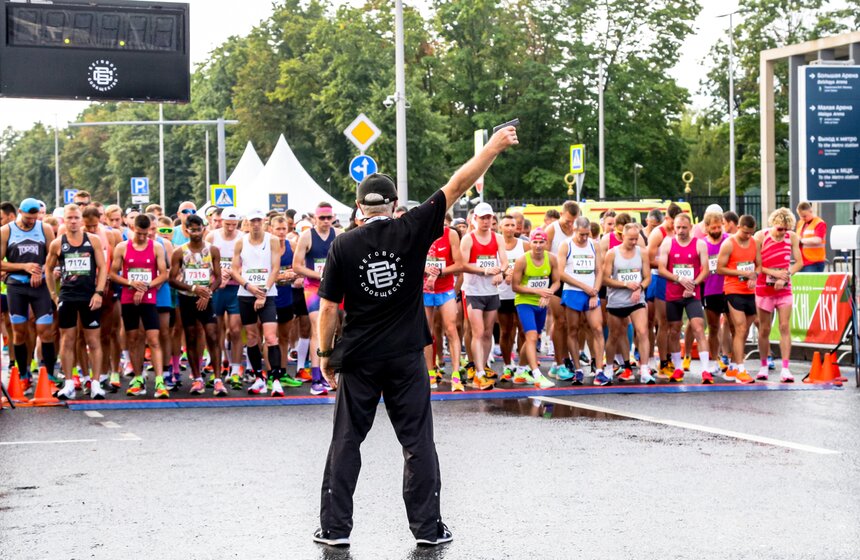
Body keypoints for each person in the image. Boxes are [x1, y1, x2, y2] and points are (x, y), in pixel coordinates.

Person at [311, 127, 517, 549]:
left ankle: (335, 529)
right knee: (417, 441)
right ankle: (427, 530)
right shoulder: (413, 228)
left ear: (357, 207)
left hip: (360, 356)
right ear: (394, 205)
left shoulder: (343, 246)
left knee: (346, 440)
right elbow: (458, 184)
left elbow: (329, 308)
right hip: (407, 355)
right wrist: (492, 147)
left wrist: (325, 354)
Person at [45, 204, 108, 400]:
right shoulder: (58, 243)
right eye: (69, 218)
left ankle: (96, 383)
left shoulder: (93, 240)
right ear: (65, 220)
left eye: (76, 218)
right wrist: (53, 295)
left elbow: (103, 267)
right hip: (68, 297)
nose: (73, 221)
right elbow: (48, 269)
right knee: (67, 340)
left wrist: (98, 292)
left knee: (93, 341)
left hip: (89, 296)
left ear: (82, 220)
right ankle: (70, 383)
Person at [109, 213, 170, 398]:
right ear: (132, 228)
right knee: (133, 338)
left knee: (153, 338)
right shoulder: (122, 247)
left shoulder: (156, 247)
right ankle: (137, 378)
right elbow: (112, 274)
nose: (143, 237)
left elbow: (164, 273)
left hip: (149, 297)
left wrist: (146, 286)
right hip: (129, 297)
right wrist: (130, 283)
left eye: (146, 233)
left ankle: (159, 381)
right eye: (140, 233)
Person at [0, 198, 58, 384]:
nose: (32, 221)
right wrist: (24, 267)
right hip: (17, 286)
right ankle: (23, 375)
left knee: (45, 330)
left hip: (39, 285)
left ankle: (49, 375)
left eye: (34, 218)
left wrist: (41, 270)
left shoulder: (44, 229)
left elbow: (53, 256)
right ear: (19, 213)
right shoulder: (6, 231)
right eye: (28, 218)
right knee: (19, 332)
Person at [169, 214, 225, 396]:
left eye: (198, 229)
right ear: (186, 231)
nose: (195, 233)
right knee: (191, 337)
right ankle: (197, 378)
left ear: (203, 229)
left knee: (212, 335)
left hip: (206, 299)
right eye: (191, 229)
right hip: (187, 299)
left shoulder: (213, 250)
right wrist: (194, 288)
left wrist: (207, 292)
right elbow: (172, 280)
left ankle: (217, 379)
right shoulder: (179, 251)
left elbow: (218, 277)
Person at [231, 208, 283, 395]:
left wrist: (264, 292)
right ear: (247, 222)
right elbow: (235, 270)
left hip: (267, 293)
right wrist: (249, 287)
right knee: (252, 337)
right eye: (252, 221)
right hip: (246, 294)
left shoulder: (273, 240)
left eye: (258, 221)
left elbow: (275, 268)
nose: (255, 224)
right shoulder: (240, 242)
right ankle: (259, 378)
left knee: (270, 337)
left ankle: (275, 379)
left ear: (264, 222)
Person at [657, 213, 712, 383]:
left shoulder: (699, 244)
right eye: (678, 227)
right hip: (673, 294)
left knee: (698, 327)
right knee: (674, 330)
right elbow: (661, 269)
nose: (681, 231)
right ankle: (678, 368)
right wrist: (679, 279)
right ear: (674, 227)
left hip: (692, 294)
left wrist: (694, 283)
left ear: (690, 228)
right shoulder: (668, 243)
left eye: (684, 228)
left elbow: (706, 269)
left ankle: (705, 370)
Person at [293, 202, 341, 395]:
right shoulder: (306, 236)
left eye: (329, 218)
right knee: (317, 328)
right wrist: (318, 275)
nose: (326, 221)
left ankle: (328, 371)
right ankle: (316, 378)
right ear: (315, 218)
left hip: (335, 288)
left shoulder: (338, 234)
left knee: (335, 329)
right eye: (322, 218)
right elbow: (297, 266)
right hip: (313, 288)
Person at [459, 202, 507, 390]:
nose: (487, 221)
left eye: (489, 218)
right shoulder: (468, 239)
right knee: (477, 332)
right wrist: (485, 270)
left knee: (487, 333)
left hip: (492, 291)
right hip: (473, 291)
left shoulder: (498, 238)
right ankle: (478, 373)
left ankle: (483, 367)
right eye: (483, 218)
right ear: (474, 219)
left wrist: (500, 272)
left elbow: (504, 262)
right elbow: (463, 264)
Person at [754, 209, 803, 382]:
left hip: (784, 289)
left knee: (784, 326)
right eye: (779, 229)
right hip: (764, 288)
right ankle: (763, 365)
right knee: (764, 328)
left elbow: (799, 262)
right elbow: (756, 264)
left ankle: (786, 368)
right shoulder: (761, 236)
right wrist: (775, 274)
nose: (782, 232)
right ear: (772, 224)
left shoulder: (792, 238)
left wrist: (786, 274)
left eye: (786, 229)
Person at [603, 223, 652, 384]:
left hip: (636, 299)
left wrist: (641, 288)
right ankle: (609, 368)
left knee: (642, 331)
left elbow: (647, 277)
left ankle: (644, 369)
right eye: (630, 239)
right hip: (617, 300)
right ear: (622, 236)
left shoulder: (642, 253)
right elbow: (605, 279)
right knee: (614, 335)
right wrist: (625, 284)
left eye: (636, 239)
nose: (633, 242)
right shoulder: (612, 254)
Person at [559, 216, 605, 385]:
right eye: (582, 234)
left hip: (591, 292)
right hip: (573, 291)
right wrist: (583, 287)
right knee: (573, 329)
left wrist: (594, 292)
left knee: (597, 328)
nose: (585, 238)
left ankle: (599, 369)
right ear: (574, 230)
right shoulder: (567, 245)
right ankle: (578, 369)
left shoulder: (594, 245)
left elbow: (600, 270)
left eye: (587, 234)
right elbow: (561, 273)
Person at [511, 228, 559, 388]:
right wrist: (537, 291)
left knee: (533, 337)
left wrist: (548, 293)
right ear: (530, 242)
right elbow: (515, 286)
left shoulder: (551, 259)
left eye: (541, 242)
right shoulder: (522, 260)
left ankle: (520, 371)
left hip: (541, 303)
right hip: (525, 302)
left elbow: (557, 281)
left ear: (546, 243)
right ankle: (537, 374)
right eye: (535, 242)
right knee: (531, 337)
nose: (538, 246)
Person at [716, 214, 758, 384]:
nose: (748, 236)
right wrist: (742, 273)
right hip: (733, 290)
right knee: (740, 328)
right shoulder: (728, 244)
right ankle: (741, 369)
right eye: (745, 232)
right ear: (739, 227)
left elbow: (759, 265)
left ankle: (733, 367)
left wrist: (754, 276)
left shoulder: (754, 242)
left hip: (749, 291)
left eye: (751, 233)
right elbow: (720, 269)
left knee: (744, 331)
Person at [423, 220, 464, 390]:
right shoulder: (420, 232)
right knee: (427, 332)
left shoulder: (451, 234)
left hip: (445, 288)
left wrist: (439, 272)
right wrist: (427, 269)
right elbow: (410, 259)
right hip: (425, 289)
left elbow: (459, 264)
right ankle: (430, 373)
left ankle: (455, 374)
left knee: (451, 329)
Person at [207, 208, 245, 389]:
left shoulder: (242, 238)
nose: (230, 228)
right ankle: (219, 365)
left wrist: (232, 274)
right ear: (221, 222)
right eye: (227, 224)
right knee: (216, 330)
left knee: (236, 329)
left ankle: (236, 369)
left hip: (235, 289)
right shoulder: (212, 236)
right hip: (217, 290)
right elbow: (203, 262)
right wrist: (216, 276)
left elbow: (248, 263)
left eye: (234, 225)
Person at [497, 215, 527, 382]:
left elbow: (533, 267)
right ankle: (507, 364)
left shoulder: (525, 245)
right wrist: (503, 273)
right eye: (506, 225)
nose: (509, 228)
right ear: (501, 227)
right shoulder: (496, 245)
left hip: (521, 294)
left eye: (512, 225)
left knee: (523, 330)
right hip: (502, 294)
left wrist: (516, 275)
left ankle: (522, 367)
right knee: (506, 331)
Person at [701, 212, 731, 375]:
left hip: (728, 289)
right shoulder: (702, 244)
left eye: (719, 227)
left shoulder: (729, 240)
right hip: (710, 290)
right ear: (706, 227)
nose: (717, 230)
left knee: (734, 326)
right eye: (713, 227)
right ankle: (714, 361)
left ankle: (734, 361)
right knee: (713, 327)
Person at [795, 202, 827, 272]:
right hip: (801, 261)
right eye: (800, 216)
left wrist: (800, 241)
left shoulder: (819, 223)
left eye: (804, 216)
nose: (802, 218)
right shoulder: (800, 223)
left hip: (814, 262)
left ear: (811, 211)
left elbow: (817, 240)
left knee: (810, 283)